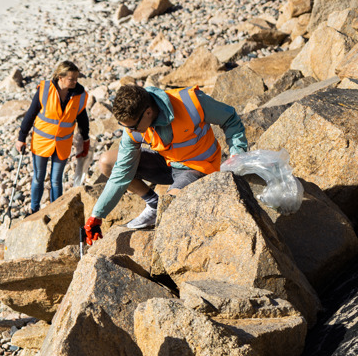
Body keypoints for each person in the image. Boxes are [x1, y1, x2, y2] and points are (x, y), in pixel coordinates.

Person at [83, 83, 248, 245]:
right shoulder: (133, 125)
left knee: (169, 209)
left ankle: (163, 206)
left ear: (148, 112)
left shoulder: (191, 102)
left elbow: (230, 119)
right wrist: (97, 215)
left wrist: (237, 155)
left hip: (197, 167)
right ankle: (153, 204)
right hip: (166, 162)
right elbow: (121, 172)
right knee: (107, 163)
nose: (130, 131)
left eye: (132, 126)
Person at [14, 61, 90, 214]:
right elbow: (31, 114)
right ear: (60, 77)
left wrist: (85, 138)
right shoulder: (45, 90)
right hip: (41, 142)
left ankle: (56, 212)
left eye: (76, 78)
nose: (75, 82)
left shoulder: (80, 95)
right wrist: (21, 137)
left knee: (56, 180)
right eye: (71, 79)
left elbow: (83, 119)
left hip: (63, 144)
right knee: (38, 178)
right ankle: (34, 210)